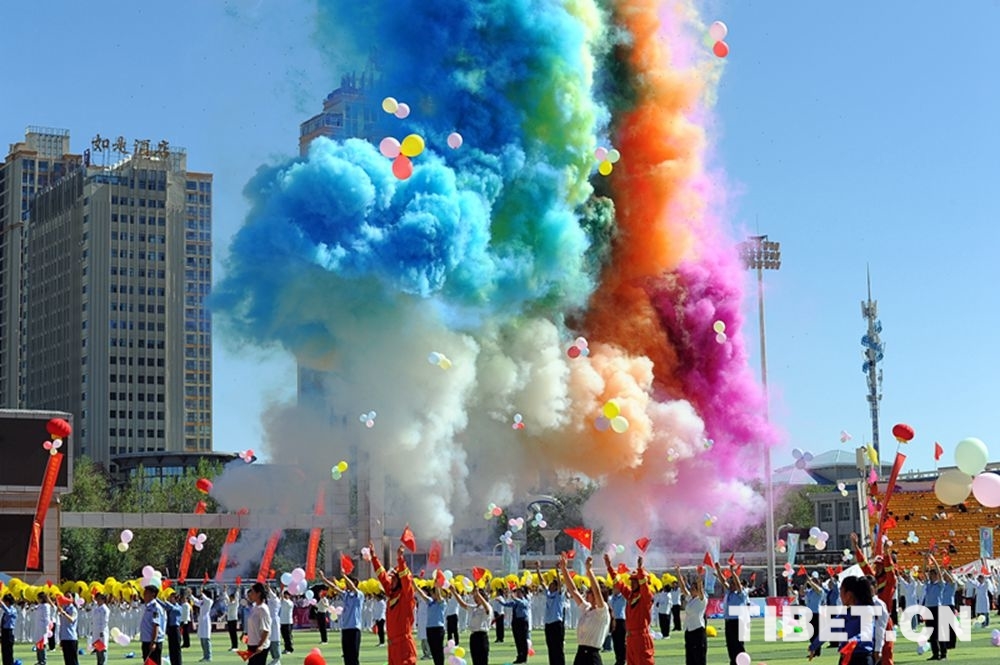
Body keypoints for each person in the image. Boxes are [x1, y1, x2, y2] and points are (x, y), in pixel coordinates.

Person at [371, 542, 417, 665]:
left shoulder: (406, 596)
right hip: (392, 647)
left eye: (394, 578)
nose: (391, 581)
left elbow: (406, 580)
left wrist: (400, 559)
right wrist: (374, 558)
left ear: (400, 580)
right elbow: (382, 577)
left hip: (404, 646)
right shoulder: (392, 594)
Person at [558, 554, 609, 665]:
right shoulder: (587, 608)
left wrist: (589, 571)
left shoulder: (602, 611)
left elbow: (597, 591)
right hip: (580, 654)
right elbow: (573, 591)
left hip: (592, 656)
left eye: (589, 592)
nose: (587, 593)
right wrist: (564, 569)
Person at [604, 554, 653, 665]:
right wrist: (609, 567)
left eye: (635, 581)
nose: (632, 583)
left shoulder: (646, 597)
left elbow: (644, 587)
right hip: (630, 638)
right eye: (632, 581)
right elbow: (619, 584)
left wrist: (640, 569)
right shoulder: (631, 595)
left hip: (641, 638)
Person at [322, 572, 364, 665]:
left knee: (353, 656)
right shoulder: (346, 595)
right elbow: (334, 587)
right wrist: (323, 579)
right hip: (345, 629)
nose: (346, 585)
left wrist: (344, 575)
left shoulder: (359, 595)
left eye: (348, 582)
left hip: (354, 629)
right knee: (346, 656)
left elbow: (353, 587)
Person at [835, 576, 877, 665]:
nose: (840, 595)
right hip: (846, 658)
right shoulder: (846, 612)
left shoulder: (867, 609)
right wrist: (814, 646)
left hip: (862, 659)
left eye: (841, 591)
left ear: (849, 594)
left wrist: (853, 640)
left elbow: (867, 631)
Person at [714, 561, 748, 665]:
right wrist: (718, 570)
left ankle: (742, 662)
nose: (732, 585)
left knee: (738, 645)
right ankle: (733, 662)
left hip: (738, 622)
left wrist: (733, 572)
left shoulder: (741, 594)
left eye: (733, 583)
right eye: (731, 583)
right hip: (729, 622)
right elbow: (723, 581)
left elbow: (738, 585)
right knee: (730, 645)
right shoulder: (729, 592)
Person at [452, 584, 492, 665]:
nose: (474, 598)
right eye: (474, 597)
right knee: (475, 660)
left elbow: (486, 608)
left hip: (482, 636)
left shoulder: (487, 607)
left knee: (483, 660)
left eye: (476, 597)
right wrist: (454, 592)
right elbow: (463, 604)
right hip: (474, 636)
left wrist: (478, 594)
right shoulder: (474, 608)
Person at [535, 562, 565, 665]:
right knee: (551, 647)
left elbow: (560, 585)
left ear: (556, 587)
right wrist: (538, 570)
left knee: (558, 648)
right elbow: (542, 582)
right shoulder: (548, 593)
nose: (550, 586)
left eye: (552, 584)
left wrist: (557, 572)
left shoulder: (559, 595)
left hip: (556, 623)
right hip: (548, 624)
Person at [675, 569, 706, 665]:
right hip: (689, 631)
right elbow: (683, 588)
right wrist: (678, 573)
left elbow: (701, 591)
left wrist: (699, 581)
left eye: (693, 589)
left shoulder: (702, 600)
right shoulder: (690, 599)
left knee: (699, 658)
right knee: (690, 658)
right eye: (691, 588)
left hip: (698, 631)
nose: (691, 590)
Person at [413, 582, 446, 665]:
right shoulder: (430, 601)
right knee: (433, 649)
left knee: (438, 649)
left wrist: (437, 587)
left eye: (433, 593)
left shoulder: (441, 602)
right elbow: (423, 595)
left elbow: (438, 596)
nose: (432, 595)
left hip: (438, 628)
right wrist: (415, 586)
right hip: (429, 628)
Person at [498, 587, 530, 664]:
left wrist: (514, 598)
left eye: (519, 593)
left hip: (522, 621)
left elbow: (522, 603)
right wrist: (500, 601)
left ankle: (524, 657)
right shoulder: (515, 602)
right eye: (517, 593)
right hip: (515, 621)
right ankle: (519, 655)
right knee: (517, 639)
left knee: (523, 640)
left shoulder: (525, 600)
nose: (517, 594)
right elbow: (507, 604)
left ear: (523, 593)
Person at [246, 583, 272, 665]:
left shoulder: (263, 609)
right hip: (252, 644)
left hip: (259, 646)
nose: (250, 594)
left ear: (258, 594)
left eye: (252, 592)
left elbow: (266, 630)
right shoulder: (254, 608)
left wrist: (261, 645)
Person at [156, 591, 182, 665]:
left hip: (176, 629)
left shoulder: (179, 607)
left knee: (176, 649)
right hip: (170, 629)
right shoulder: (170, 606)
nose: (170, 599)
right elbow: (164, 605)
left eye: (171, 598)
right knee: (171, 648)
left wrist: (164, 601)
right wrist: (157, 599)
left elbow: (171, 607)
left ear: (176, 599)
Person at [140, 586, 164, 665]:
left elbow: (156, 625)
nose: (144, 595)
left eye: (146, 593)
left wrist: (153, 642)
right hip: (146, 641)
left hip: (152, 641)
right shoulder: (147, 607)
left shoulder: (155, 608)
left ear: (152, 594)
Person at [803, 575, 826, 659]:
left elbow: (818, 589)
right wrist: (806, 582)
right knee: (811, 633)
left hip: (816, 613)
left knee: (816, 633)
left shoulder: (820, 591)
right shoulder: (810, 591)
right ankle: (814, 650)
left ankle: (817, 651)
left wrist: (811, 582)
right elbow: (802, 592)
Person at [56, 595, 78, 665]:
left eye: (69, 597)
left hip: (71, 637)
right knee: (67, 660)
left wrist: (64, 613)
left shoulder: (73, 609)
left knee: (73, 660)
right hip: (64, 637)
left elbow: (72, 619)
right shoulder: (64, 608)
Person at [192, 589, 213, 662]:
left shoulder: (209, 601)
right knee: (202, 640)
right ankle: (205, 656)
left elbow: (205, 599)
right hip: (201, 623)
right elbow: (196, 601)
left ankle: (209, 657)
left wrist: (201, 592)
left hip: (206, 623)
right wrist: (190, 595)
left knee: (206, 640)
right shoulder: (203, 602)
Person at [90, 593, 110, 665]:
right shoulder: (96, 608)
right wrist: (92, 630)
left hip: (102, 632)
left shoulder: (105, 609)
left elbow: (104, 621)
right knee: (98, 650)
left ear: (103, 600)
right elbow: (93, 621)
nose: (98, 600)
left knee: (102, 650)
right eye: (97, 599)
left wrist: (102, 631)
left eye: (99, 599)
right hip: (96, 632)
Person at [33, 593, 52, 665]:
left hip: (43, 627)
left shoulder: (46, 606)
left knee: (42, 643)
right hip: (38, 627)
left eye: (39, 598)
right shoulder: (39, 605)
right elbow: (36, 608)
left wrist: (46, 628)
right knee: (38, 643)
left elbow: (47, 618)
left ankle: (43, 660)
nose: (38, 599)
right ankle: (39, 660)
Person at [1, 593, 17, 665]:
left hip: (9, 632)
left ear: (7, 602)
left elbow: (8, 612)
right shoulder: (6, 610)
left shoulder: (13, 609)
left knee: (9, 651)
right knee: (4, 651)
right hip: (4, 631)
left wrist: (1, 604)